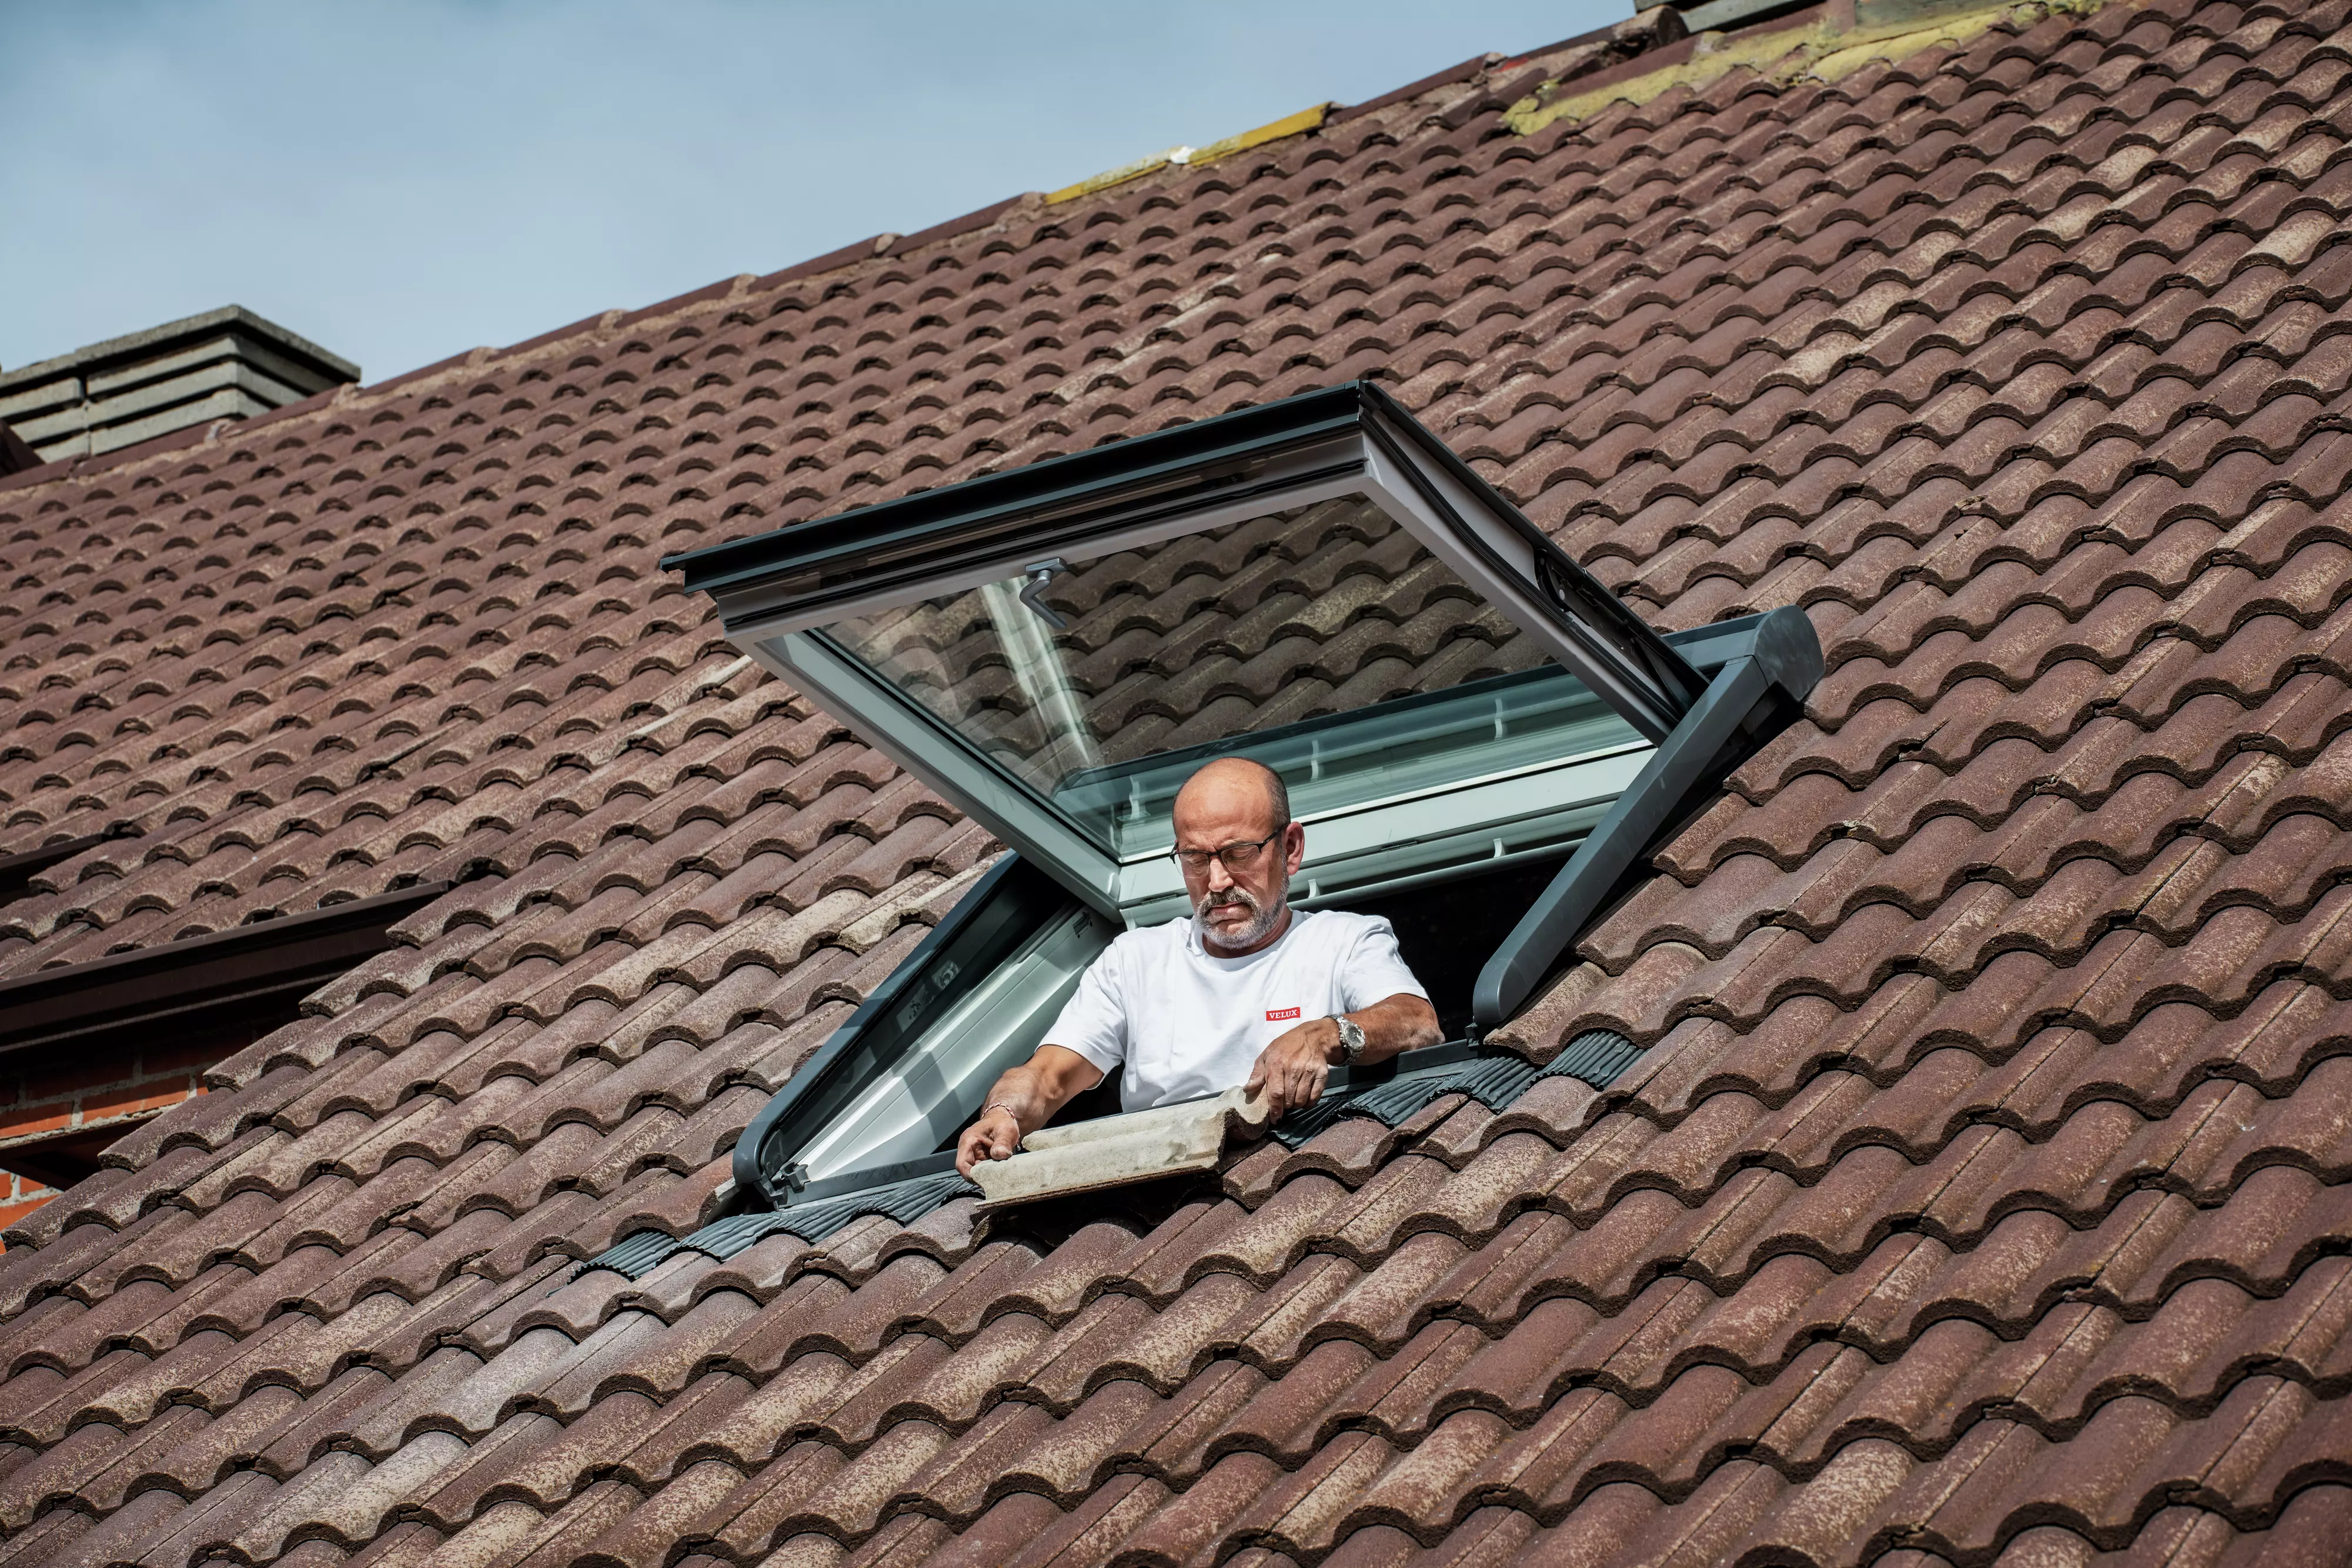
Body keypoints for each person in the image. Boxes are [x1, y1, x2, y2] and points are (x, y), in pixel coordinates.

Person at [955, 755, 1442, 1179]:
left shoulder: (1343, 940)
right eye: (1194, 858)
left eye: (1238, 853)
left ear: (1291, 849)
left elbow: (1418, 1022)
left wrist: (1325, 1035)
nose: (1217, 880)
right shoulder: (1135, 961)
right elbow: (1048, 1076)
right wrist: (1004, 1112)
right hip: (1163, 1192)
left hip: (1307, 1171)